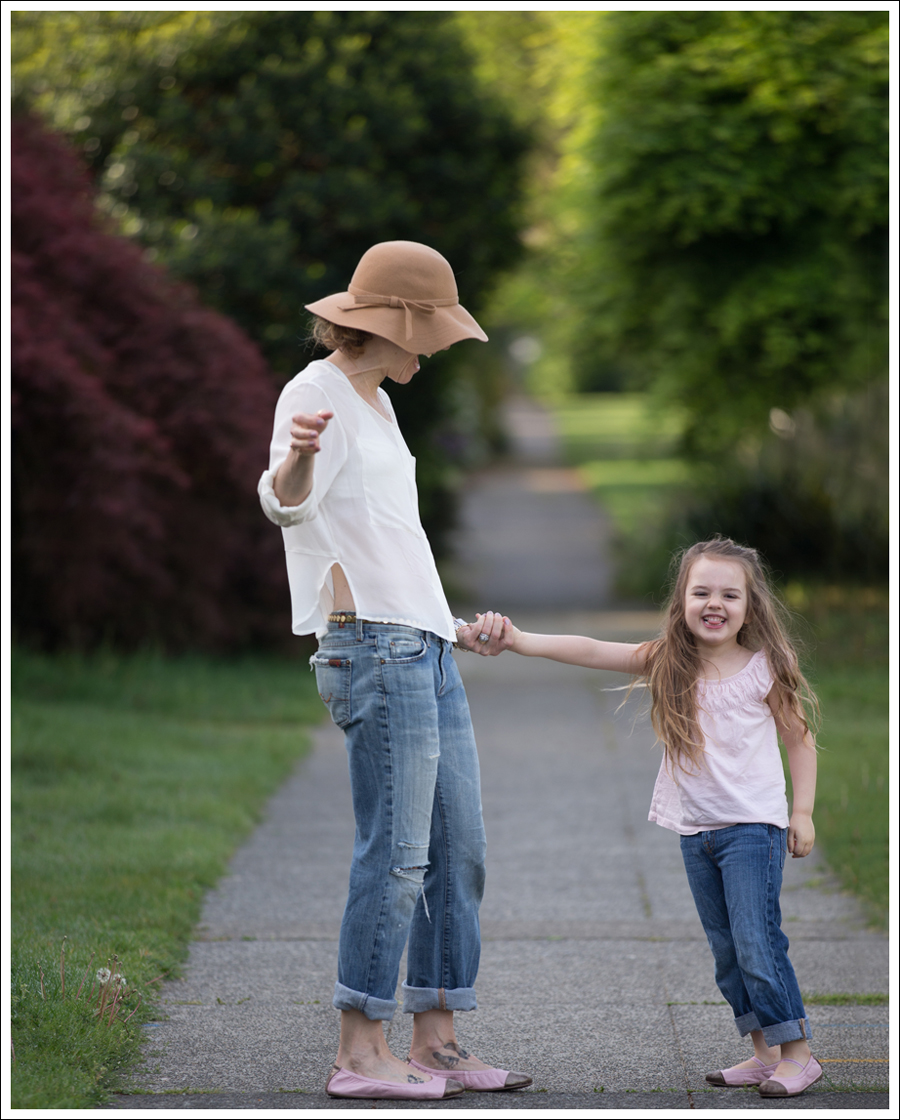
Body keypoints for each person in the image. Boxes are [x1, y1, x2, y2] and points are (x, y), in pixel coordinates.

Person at [257, 241, 531, 1101]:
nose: (439, 348)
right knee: (399, 853)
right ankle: (359, 1050)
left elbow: (386, 539)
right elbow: (286, 501)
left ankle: (438, 1039)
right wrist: (296, 455)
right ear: (395, 325)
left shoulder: (378, 403)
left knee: (458, 849)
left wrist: (446, 621)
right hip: (372, 648)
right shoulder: (316, 395)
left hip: (421, 642)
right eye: (432, 330)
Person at [462, 537, 822, 1098]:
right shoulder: (669, 661)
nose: (715, 603)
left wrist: (802, 812)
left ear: (751, 606)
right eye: (701, 591)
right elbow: (589, 649)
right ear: (681, 601)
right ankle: (763, 1052)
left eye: (730, 594)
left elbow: (799, 739)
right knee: (728, 951)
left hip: (755, 830)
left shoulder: (765, 668)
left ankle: (798, 1053)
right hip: (698, 833)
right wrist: (519, 641)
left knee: (757, 941)